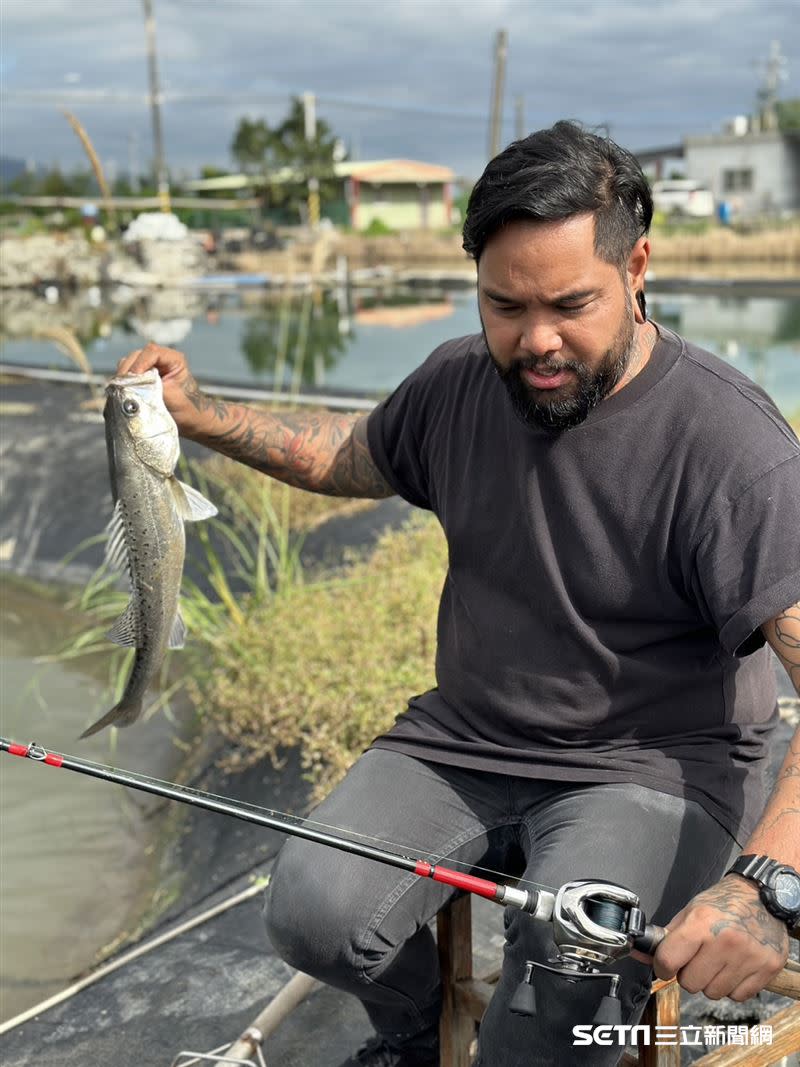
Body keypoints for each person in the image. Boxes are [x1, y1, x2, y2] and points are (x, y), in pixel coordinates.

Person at [118, 121, 800, 1067]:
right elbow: (354, 454)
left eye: (570, 303)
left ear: (638, 265)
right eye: (503, 305)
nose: (537, 341)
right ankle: (411, 1036)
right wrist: (199, 419)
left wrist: (766, 888)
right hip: (465, 737)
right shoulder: (459, 381)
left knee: (560, 988)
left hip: (652, 763)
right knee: (314, 913)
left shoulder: (733, 447)